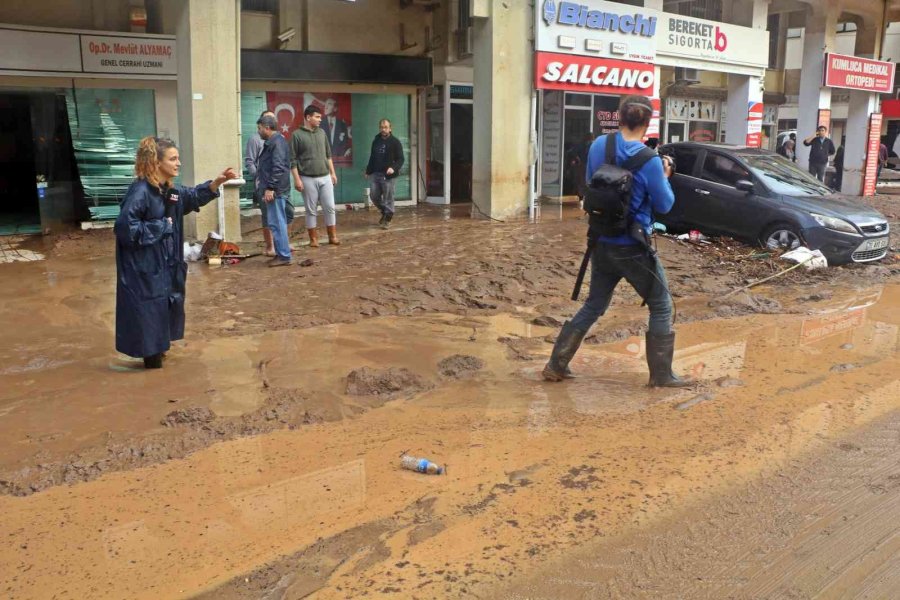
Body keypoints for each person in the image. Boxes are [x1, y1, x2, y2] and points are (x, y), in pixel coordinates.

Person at [543, 95, 689, 388]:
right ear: (647, 124)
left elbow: (588, 184)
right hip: (632, 246)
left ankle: (556, 364)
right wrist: (665, 174)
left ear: (619, 118)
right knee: (661, 305)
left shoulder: (598, 145)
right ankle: (661, 376)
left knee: (594, 304)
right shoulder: (649, 160)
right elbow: (665, 205)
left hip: (600, 241)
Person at [115, 137, 236, 369]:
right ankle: (152, 373)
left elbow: (190, 197)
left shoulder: (169, 190)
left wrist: (215, 184)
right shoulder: (140, 192)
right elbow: (125, 229)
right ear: (156, 162)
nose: (178, 163)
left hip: (165, 266)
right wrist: (162, 226)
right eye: (173, 159)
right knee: (148, 314)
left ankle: (157, 357)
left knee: (163, 310)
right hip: (145, 269)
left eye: (178, 158)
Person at [245, 110, 294, 257]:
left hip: (275, 191)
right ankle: (281, 253)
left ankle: (284, 255)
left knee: (277, 224)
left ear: (267, 127)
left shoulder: (276, 142)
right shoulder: (273, 141)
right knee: (274, 223)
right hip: (274, 189)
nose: (258, 132)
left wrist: (270, 187)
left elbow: (278, 167)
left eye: (260, 128)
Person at [291, 104, 340, 247]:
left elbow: (328, 155)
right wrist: (297, 179)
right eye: (317, 117)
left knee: (330, 207)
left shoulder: (322, 133)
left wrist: (333, 173)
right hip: (307, 178)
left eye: (320, 117)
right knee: (311, 210)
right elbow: (292, 160)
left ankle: (333, 236)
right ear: (308, 117)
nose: (320, 120)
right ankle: (313, 239)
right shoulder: (297, 135)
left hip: (325, 176)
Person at [365, 118, 405, 229]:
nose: (383, 129)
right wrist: (368, 170)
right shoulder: (376, 140)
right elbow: (372, 157)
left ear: (390, 128)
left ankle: (388, 217)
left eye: (386, 127)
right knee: (374, 196)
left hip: (388, 175)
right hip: (375, 173)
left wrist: (393, 168)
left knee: (388, 197)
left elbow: (401, 159)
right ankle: (385, 211)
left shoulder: (395, 142)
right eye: (382, 127)